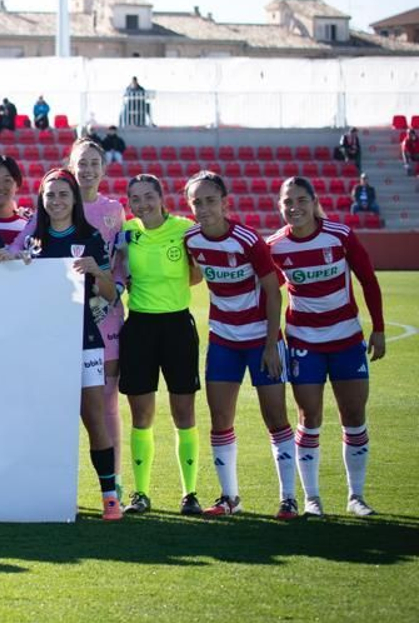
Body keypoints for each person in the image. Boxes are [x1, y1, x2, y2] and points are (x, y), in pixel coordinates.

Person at [268, 178, 384, 517]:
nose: (295, 207)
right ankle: (312, 499)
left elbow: (368, 279)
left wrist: (378, 328)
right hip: (304, 344)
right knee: (310, 417)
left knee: (354, 416)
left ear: (314, 201)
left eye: (302, 200)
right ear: (280, 206)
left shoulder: (340, 235)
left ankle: (356, 497)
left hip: (347, 340)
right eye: (288, 201)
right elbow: (267, 291)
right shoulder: (276, 246)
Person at [183, 172, 295, 518]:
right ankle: (230, 497)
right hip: (223, 340)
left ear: (225, 202)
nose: (203, 208)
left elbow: (273, 292)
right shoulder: (191, 239)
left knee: (275, 417)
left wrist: (271, 344)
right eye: (196, 202)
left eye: (210, 200)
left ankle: (288, 498)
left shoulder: (247, 240)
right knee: (220, 419)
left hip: (261, 340)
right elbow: (194, 275)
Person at [27, 169, 122, 520]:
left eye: (63, 195)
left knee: (93, 417)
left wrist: (98, 272)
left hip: (84, 340)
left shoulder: (91, 236)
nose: (56, 202)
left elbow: (110, 296)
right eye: (50, 195)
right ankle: (48, 494)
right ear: (42, 199)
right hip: (43, 344)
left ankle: (110, 496)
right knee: (46, 420)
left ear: (74, 200)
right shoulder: (33, 241)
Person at [118, 174, 203, 516]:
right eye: (135, 198)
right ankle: (140, 494)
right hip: (139, 327)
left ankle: (190, 493)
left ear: (161, 196)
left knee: (184, 412)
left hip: (178, 326)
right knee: (142, 415)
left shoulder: (185, 229)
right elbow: (118, 268)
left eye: (148, 196)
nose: (143, 204)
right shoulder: (126, 231)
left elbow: (196, 274)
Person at [70, 139, 127, 488]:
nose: (88, 169)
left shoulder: (115, 209)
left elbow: (120, 263)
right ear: (71, 165)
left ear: (104, 169)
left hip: (106, 315)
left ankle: (114, 481)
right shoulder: (56, 203)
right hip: (64, 318)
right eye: (82, 162)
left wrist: (114, 290)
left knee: (106, 402)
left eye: (94, 163)